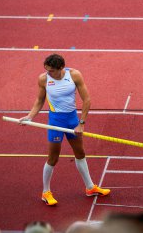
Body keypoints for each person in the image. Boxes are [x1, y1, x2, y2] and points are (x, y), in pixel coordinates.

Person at [20, 54, 110, 206]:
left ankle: (90, 187)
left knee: (80, 153)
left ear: (61, 68)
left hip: (72, 120)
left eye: (51, 71)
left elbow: (87, 100)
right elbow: (40, 100)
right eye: (46, 70)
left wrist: (81, 123)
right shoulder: (43, 79)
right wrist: (30, 116)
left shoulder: (74, 75)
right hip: (55, 122)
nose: (48, 73)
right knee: (53, 158)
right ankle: (46, 192)